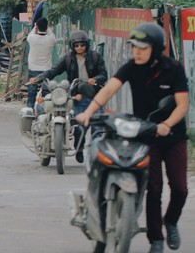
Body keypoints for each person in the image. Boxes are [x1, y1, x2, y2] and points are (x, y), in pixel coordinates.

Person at [76, 23, 189, 253]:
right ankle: (156, 240)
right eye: (134, 47)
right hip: (146, 135)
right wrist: (88, 113)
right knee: (153, 189)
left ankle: (171, 221)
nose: (136, 51)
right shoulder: (131, 67)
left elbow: (183, 105)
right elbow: (108, 90)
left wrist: (167, 124)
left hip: (173, 134)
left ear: (155, 49)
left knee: (180, 189)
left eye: (142, 47)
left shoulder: (174, 68)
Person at [29, 30, 108, 163]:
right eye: (76, 45)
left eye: (82, 45)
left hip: (96, 96)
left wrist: (96, 79)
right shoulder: (67, 59)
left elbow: (104, 75)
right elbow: (54, 71)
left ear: (87, 45)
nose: (79, 48)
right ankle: (79, 149)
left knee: (98, 128)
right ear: (73, 46)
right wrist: (39, 78)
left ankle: (96, 156)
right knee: (78, 127)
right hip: (78, 97)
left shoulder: (95, 57)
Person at [26, 17, 57, 108]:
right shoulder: (50, 40)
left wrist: (35, 26)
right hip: (46, 70)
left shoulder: (32, 38)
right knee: (46, 93)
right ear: (46, 27)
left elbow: (31, 33)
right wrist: (48, 28)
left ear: (37, 27)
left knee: (31, 92)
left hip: (33, 69)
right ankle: (45, 112)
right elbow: (53, 37)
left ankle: (30, 111)